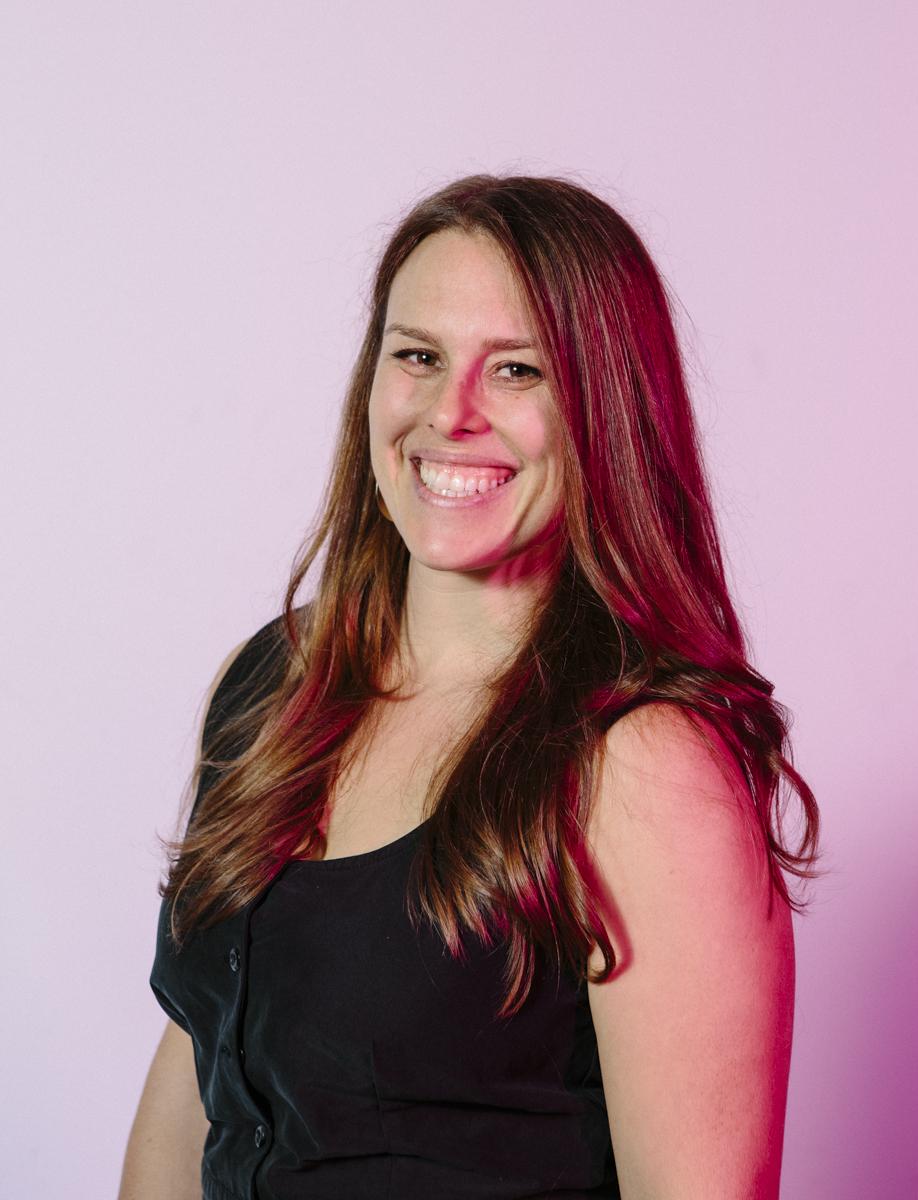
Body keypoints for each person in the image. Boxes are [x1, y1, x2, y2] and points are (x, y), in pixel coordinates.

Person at [119, 173, 821, 1200]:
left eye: (519, 371)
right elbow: (196, 1072)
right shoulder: (271, 686)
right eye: (419, 356)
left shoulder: (641, 765)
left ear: (605, 408)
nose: (452, 413)